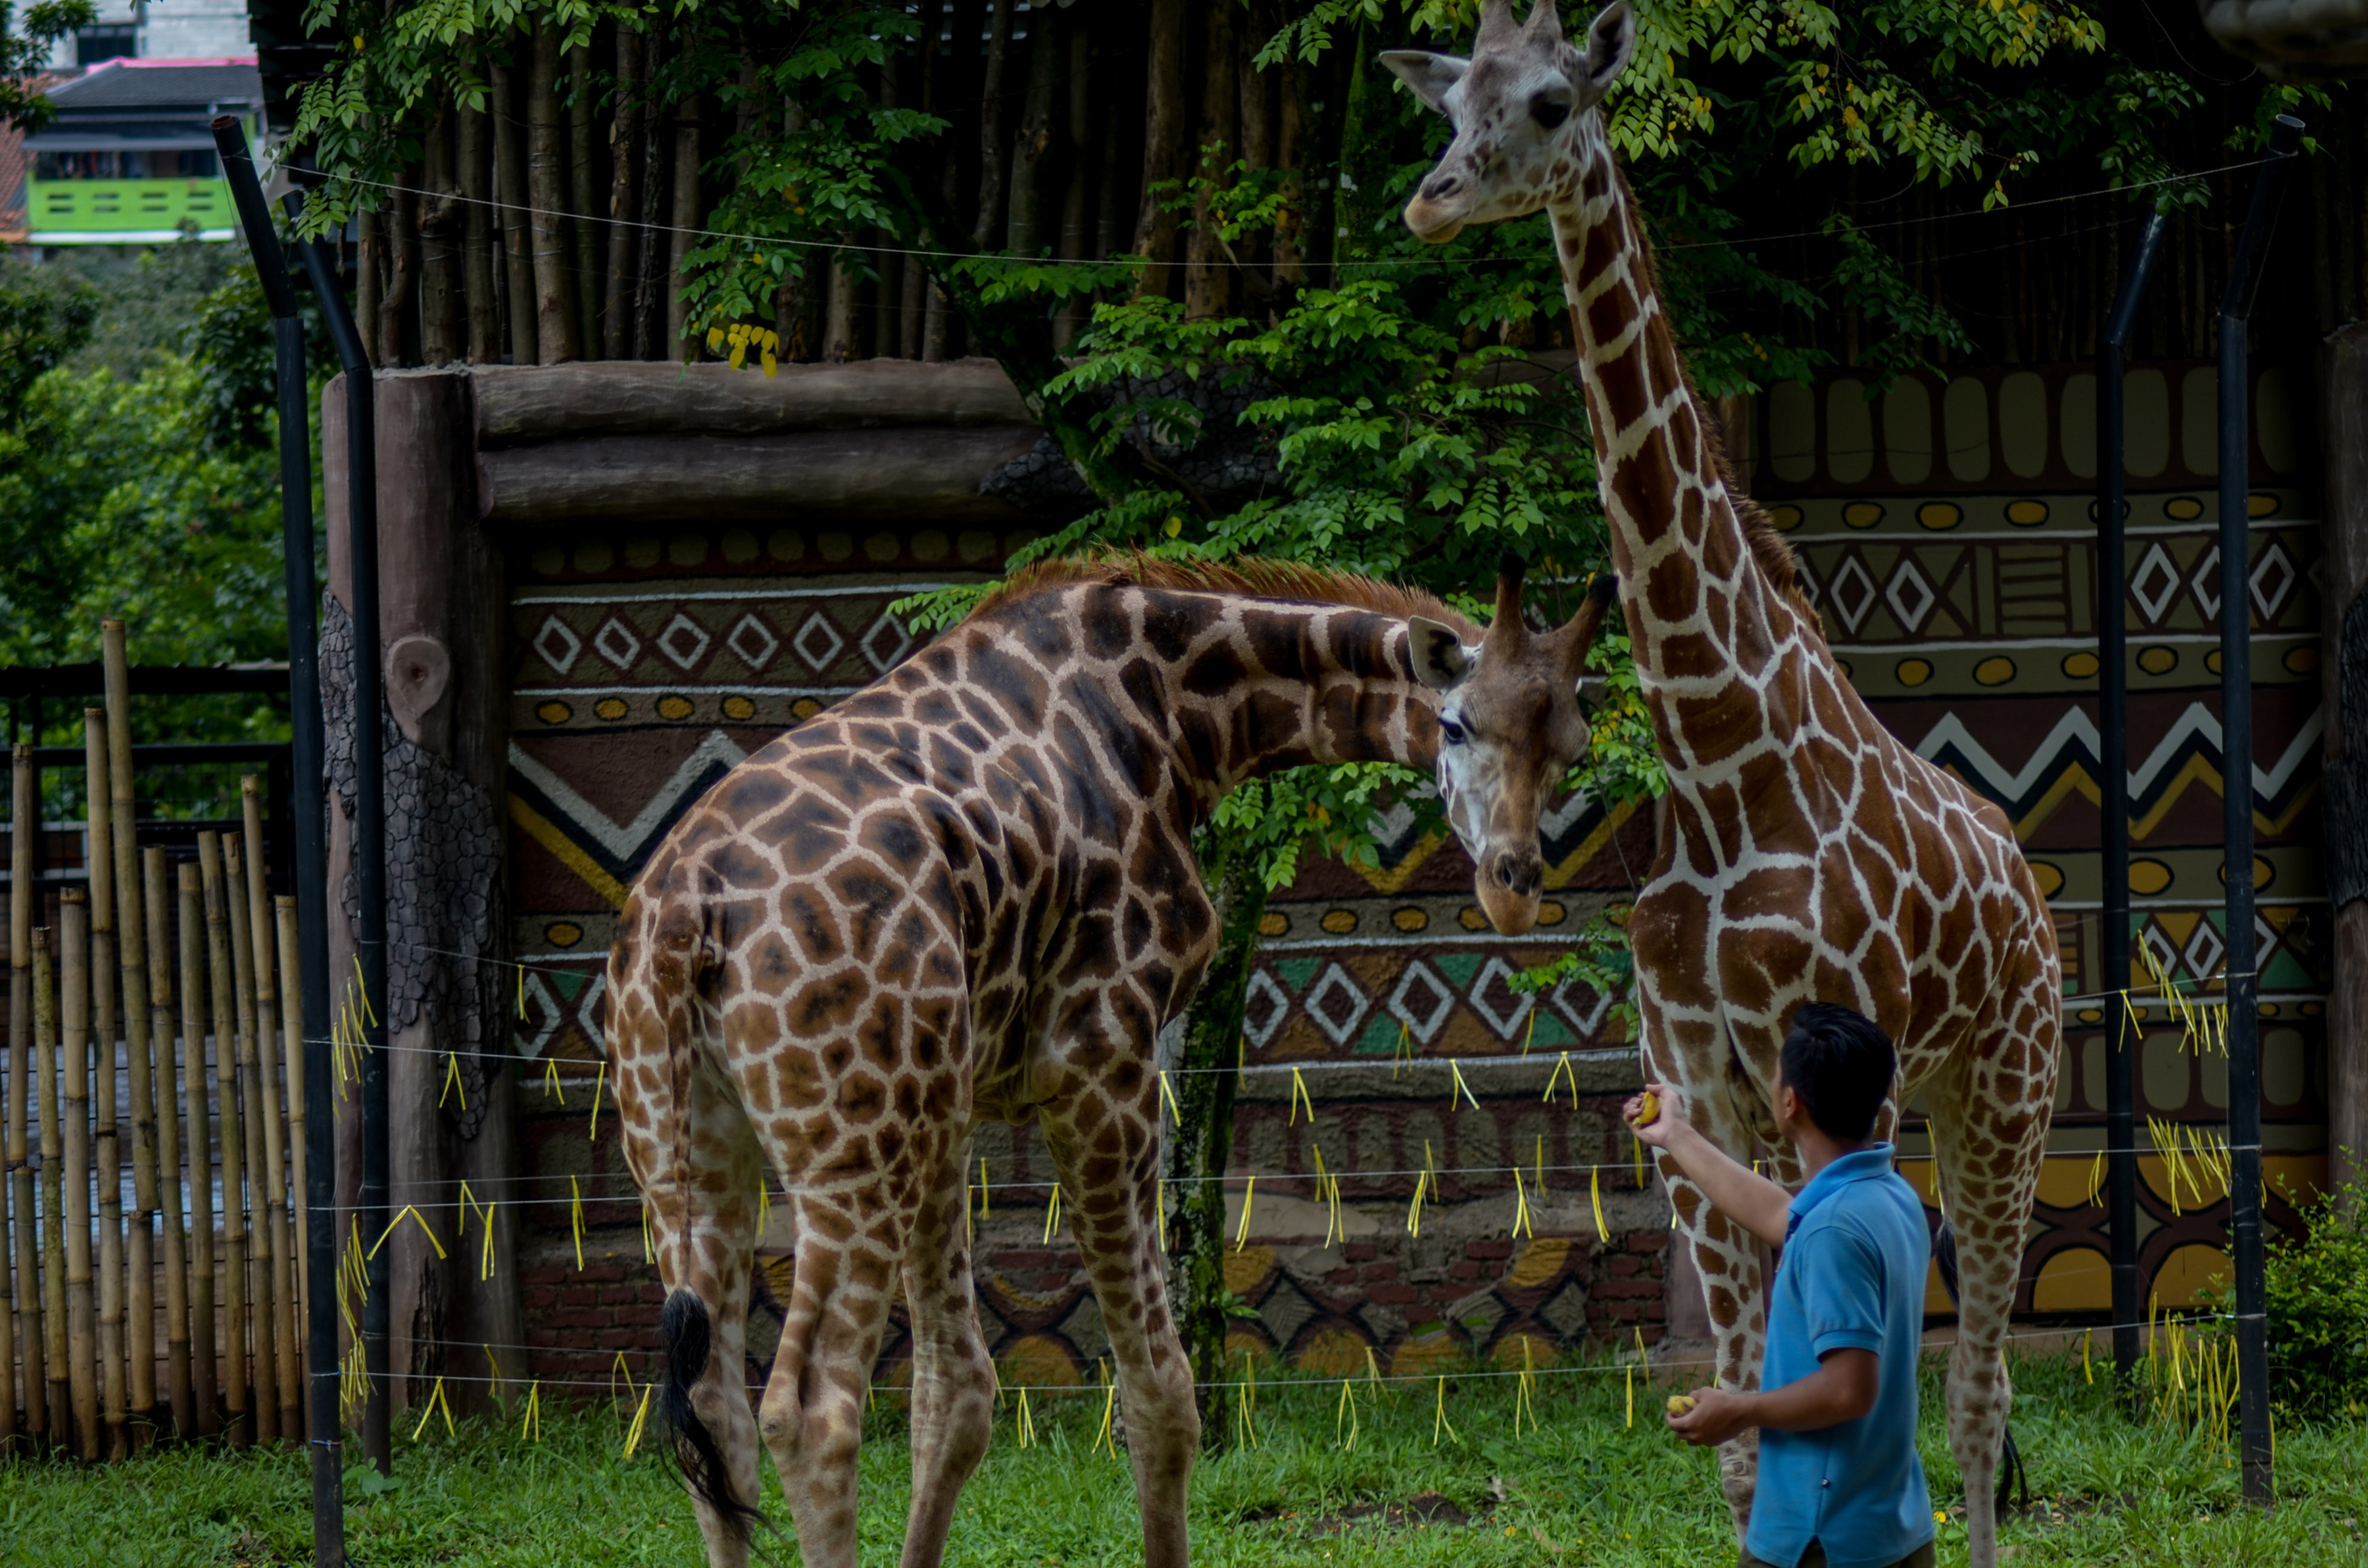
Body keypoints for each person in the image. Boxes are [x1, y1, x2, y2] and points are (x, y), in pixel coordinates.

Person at [1625, 1002, 1936, 1568]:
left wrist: (1738, 1409)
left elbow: (1848, 1390)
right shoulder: (1889, 1196)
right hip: (1894, 1525)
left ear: (1789, 1102)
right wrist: (1677, 1135)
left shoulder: (1833, 1230)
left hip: (1820, 1538)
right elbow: (1781, 1215)